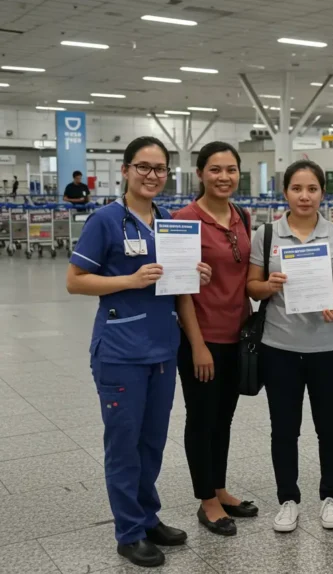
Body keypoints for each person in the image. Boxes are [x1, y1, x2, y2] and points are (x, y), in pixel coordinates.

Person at [65, 136, 212, 568]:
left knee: (151, 442)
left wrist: (194, 272)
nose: (152, 175)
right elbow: (75, 280)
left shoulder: (169, 223)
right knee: (124, 444)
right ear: (126, 170)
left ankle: (148, 518)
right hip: (120, 351)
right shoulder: (106, 221)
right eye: (143, 167)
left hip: (163, 350)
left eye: (159, 169)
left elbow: (177, 289)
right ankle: (128, 532)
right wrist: (129, 280)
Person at [246, 160, 333, 533]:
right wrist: (270, 285)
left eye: (312, 189)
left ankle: (331, 496)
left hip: (328, 348)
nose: (304, 196)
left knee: (331, 426)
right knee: (284, 428)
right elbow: (252, 286)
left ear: (323, 192)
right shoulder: (266, 235)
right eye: (297, 188)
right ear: (285, 192)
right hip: (279, 347)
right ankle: (288, 499)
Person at [172, 142, 258, 537]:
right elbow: (181, 291)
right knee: (202, 417)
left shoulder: (242, 216)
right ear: (200, 173)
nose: (224, 177)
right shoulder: (184, 219)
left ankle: (219, 487)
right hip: (202, 338)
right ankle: (206, 499)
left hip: (237, 336)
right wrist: (197, 345)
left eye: (231, 169)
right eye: (215, 170)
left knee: (223, 417)